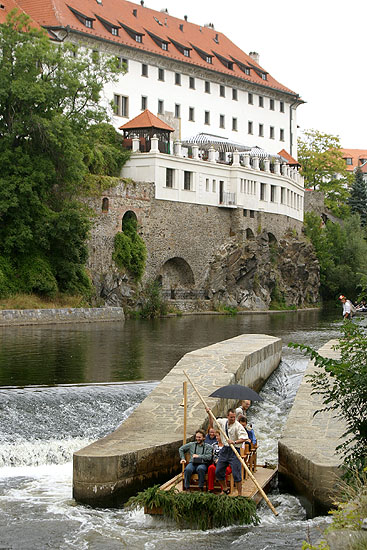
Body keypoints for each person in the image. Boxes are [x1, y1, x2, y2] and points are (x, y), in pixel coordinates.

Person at [207, 408, 248, 495]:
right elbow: (212, 425)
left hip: (234, 450)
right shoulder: (222, 422)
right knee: (218, 471)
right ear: (227, 416)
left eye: (234, 417)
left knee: (236, 474)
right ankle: (225, 489)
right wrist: (209, 414)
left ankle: (240, 494)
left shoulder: (238, 426)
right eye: (231, 417)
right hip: (225, 450)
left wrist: (234, 442)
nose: (233, 419)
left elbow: (244, 438)